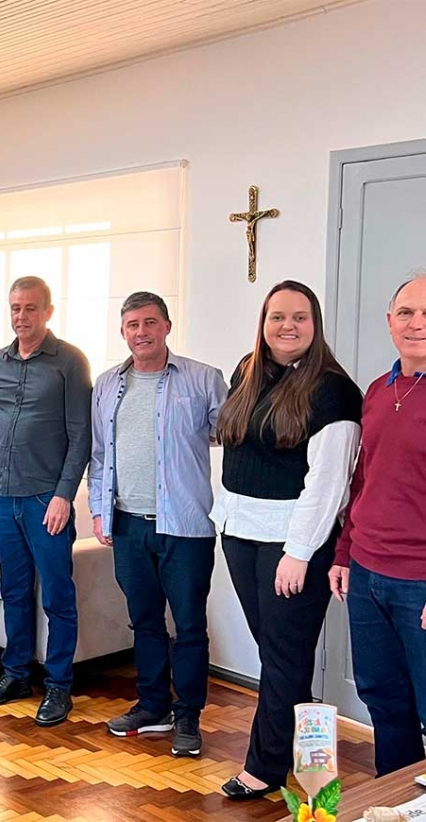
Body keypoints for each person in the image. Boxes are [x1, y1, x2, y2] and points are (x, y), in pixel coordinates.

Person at [211, 280, 362, 800]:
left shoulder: (333, 390)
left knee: (282, 659)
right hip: (239, 533)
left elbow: (328, 484)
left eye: (300, 317)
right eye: (277, 316)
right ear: (264, 322)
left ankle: (265, 767)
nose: (287, 326)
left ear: (315, 324)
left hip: (293, 544)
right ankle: (312, 759)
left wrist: (299, 553)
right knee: (282, 656)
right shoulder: (247, 371)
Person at [88, 292, 228, 757]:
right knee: (144, 621)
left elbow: (232, 436)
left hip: (185, 527)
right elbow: (100, 455)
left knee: (188, 625)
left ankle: (188, 715)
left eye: (150, 322)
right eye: (133, 325)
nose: (141, 332)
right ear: (122, 331)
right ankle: (152, 705)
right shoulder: (106, 384)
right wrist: (98, 510)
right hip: (128, 525)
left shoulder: (203, 379)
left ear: (167, 326)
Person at [0, 276, 91, 726]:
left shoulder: (69, 361)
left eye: (30, 308)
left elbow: (81, 435)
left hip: (46, 500)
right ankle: (17, 674)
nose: (21, 316)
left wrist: (64, 496)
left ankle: (58, 685)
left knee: (57, 596)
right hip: (3, 499)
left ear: (48, 312)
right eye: (15, 308)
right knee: (15, 591)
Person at [331, 274, 426, 777]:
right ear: (390, 322)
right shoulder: (377, 390)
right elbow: (363, 478)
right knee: (383, 699)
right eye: (406, 313)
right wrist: (345, 552)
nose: (417, 324)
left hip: (420, 582)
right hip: (367, 574)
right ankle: (398, 800)